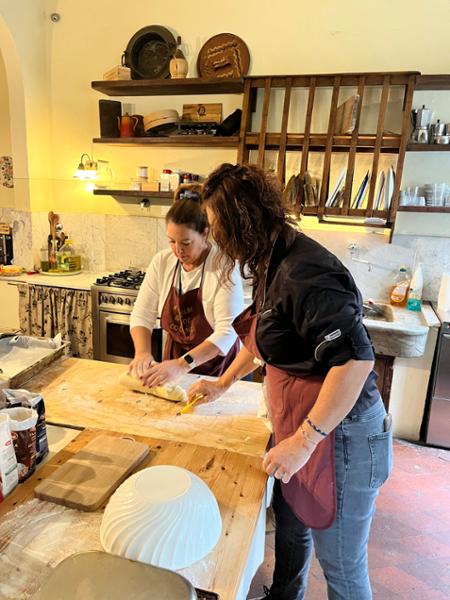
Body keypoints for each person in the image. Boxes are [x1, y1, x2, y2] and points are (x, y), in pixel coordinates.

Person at [188, 164, 393, 600]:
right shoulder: (273, 257)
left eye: (218, 225)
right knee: (292, 522)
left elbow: (355, 362)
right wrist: (223, 383)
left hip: (342, 437)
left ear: (242, 222)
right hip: (309, 427)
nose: (216, 237)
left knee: (342, 567)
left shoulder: (307, 273)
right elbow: (266, 336)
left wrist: (303, 441)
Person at [129, 184, 244, 388]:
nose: (178, 250)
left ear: (205, 233)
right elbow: (142, 314)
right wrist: (142, 353)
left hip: (217, 370)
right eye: (171, 241)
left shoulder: (224, 266)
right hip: (174, 364)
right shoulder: (162, 262)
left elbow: (227, 332)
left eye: (186, 243)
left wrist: (182, 365)